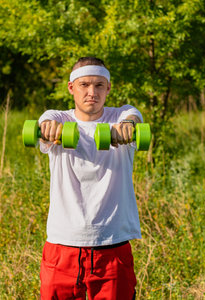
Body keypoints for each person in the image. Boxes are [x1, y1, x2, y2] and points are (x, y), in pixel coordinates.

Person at [38, 57, 143, 300]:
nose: (91, 92)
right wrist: (47, 128)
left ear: (108, 88)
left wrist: (127, 126)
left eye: (98, 85)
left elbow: (133, 114)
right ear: (71, 87)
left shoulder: (121, 118)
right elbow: (46, 120)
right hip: (62, 245)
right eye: (84, 85)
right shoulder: (60, 120)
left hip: (112, 244)